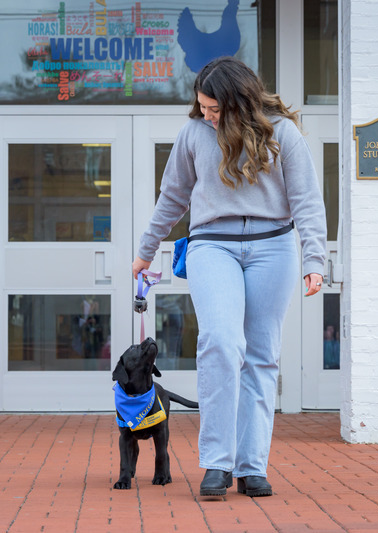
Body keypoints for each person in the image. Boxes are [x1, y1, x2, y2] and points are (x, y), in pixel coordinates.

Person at [131, 57, 327, 498]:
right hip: (211, 244)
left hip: (273, 245)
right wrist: (146, 251)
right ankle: (217, 462)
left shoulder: (283, 133)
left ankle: (252, 465)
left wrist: (315, 260)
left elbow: (308, 202)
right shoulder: (194, 134)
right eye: (201, 106)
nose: (206, 115)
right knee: (221, 341)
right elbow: (173, 197)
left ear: (239, 102)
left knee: (261, 355)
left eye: (214, 108)